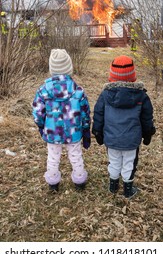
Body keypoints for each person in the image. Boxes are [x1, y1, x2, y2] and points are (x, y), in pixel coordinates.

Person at [92, 55, 156, 199]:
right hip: (131, 140)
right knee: (129, 163)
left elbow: (98, 114)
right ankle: (128, 189)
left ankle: (113, 185)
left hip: (112, 138)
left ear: (112, 76)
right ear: (132, 76)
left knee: (114, 161)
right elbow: (146, 118)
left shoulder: (105, 95)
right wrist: (148, 133)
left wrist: (97, 131)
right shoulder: (141, 96)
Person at [32, 49, 91, 192]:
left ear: (52, 68)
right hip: (74, 131)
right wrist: (85, 128)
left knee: (53, 156)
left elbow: (38, 112)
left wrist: (41, 125)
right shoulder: (77, 90)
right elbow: (85, 112)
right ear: (69, 68)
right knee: (76, 155)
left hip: (53, 132)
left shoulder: (43, 90)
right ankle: (79, 180)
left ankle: (53, 183)